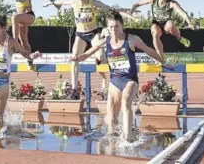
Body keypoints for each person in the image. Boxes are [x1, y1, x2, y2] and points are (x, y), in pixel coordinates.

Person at [70, 9, 167, 142]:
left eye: (116, 26)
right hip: (115, 81)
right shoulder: (106, 40)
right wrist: (78, 58)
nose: (114, 29)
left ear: (122, 26)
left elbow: (148, 50)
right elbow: (88, 53)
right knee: (111, 118)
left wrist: (163, 61)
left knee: (125, 102)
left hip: (130, 80)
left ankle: (127, 139)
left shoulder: (132, 39)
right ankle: (112, 140)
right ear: (107, 28)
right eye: (111, 27)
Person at [43, 0, 114, 99]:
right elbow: (61, 2)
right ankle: (74, 89)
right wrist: (52, 3)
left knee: (101, 57)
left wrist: (111, 10)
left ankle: (106, 84)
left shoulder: (93, 2)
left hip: (93, 33)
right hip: (80, 34)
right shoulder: (74, 2)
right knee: (74, 58)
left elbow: (108, 8)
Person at [0, 0, 59, 68]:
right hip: (20, 18)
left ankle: (13, 42)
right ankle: (30, 59)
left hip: (29, 15)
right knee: (24, 41)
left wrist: (53, 1)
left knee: (14, 17)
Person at [127, 0, 194, 60]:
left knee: (171, 24)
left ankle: (179, 38)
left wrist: (189, 22)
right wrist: (131, 10)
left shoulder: (172, 3)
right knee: (154, 33)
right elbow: (137, 4)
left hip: (166, 25)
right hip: (156, 24)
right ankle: (160, 57)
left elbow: (182, 12)